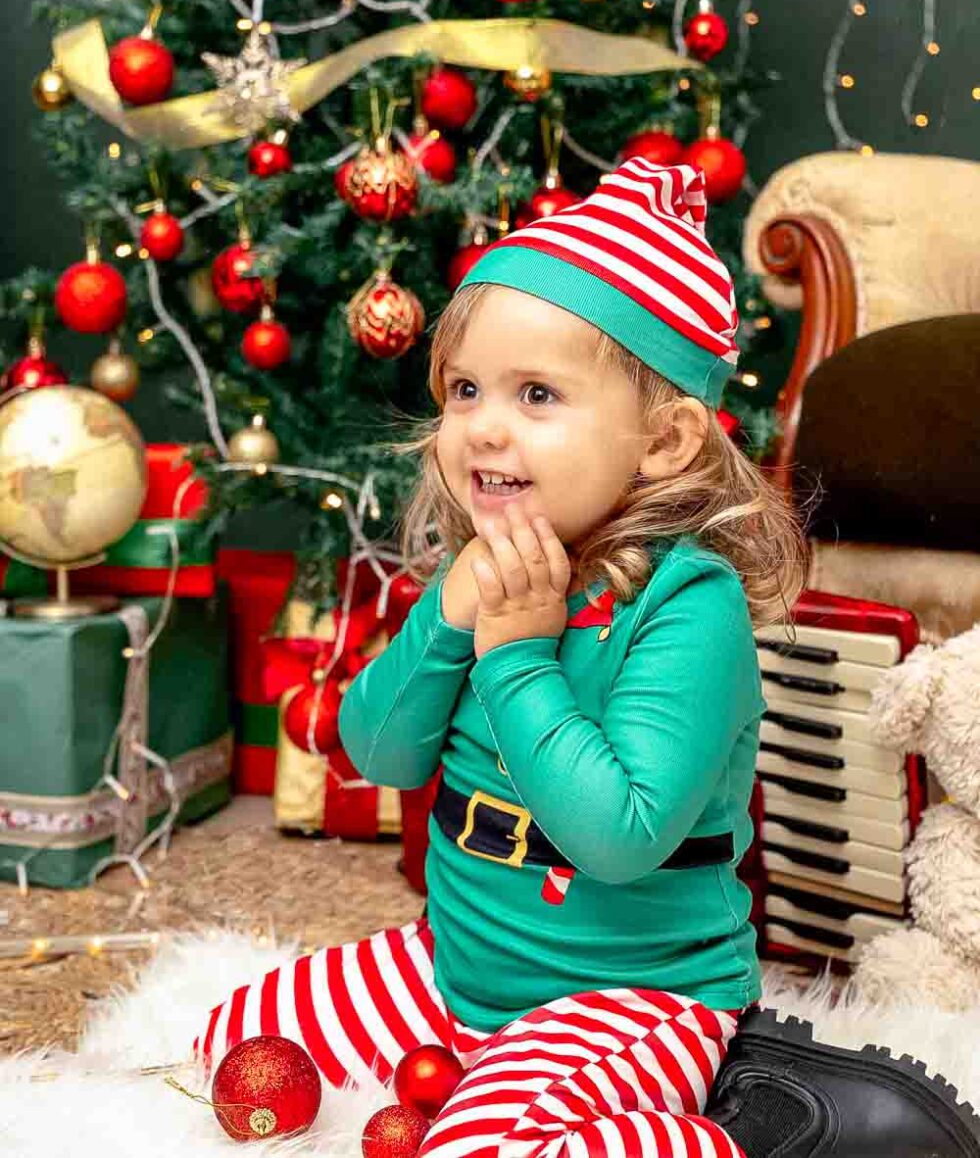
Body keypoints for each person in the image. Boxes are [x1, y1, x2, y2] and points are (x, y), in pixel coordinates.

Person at [195, 157, 809, 1157]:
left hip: (633, 993)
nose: (482, 423)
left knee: (485, 1150)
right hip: (462, 971)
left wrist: (518, 658)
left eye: (535, 394)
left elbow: (617, 839)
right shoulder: (482, 571)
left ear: (662, 441)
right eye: (466, 388)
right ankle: (502, 1077)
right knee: (237, 1043)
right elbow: (378, 753)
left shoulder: (686, 606)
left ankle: (708, 1135)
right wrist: (447, 618)